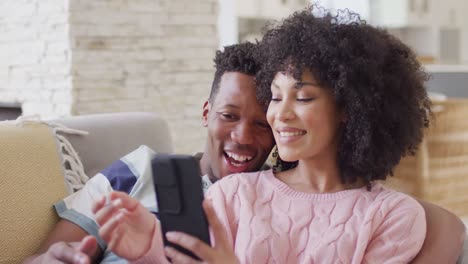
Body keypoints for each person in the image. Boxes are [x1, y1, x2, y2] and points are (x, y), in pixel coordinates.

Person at [92, 7, 466, 263]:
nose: (279, 114)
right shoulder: (234, 195)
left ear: (349, 108)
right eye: (274, 96)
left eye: (302, 97)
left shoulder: (392, 217)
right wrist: (148, 249)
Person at [22, 42, 275, 264]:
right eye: (228, 116)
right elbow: (40, 257)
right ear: (207, 114)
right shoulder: (138, 169)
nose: (243, 136)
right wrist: (49, 259)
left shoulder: (279, 202)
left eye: (262, 124)